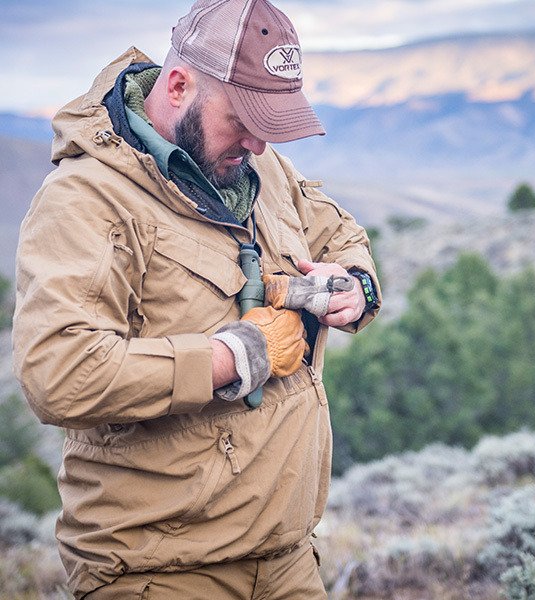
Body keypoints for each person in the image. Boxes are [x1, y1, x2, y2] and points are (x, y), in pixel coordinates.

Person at [12, 0, 380, 598]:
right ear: (179, 86)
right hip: (160, 570)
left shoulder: (261, 168)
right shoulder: (85, 200)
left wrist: (355, 288)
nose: (259, 144)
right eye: (243, 119)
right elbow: (57, 371)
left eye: (272, 123)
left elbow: (338, 233)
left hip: (288, 561)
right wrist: (238, 356)